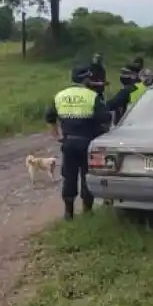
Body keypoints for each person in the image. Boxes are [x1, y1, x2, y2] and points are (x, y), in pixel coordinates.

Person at [45, 66, 111, 220]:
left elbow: (50, 118)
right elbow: (106, 119)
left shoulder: (60, 95)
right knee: (87, 175)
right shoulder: (92, 96)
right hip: (88, 142)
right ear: (86, 79)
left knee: (69, 176)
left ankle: (68, 213)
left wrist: (57, 136)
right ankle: (87, 211)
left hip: (69, 142)